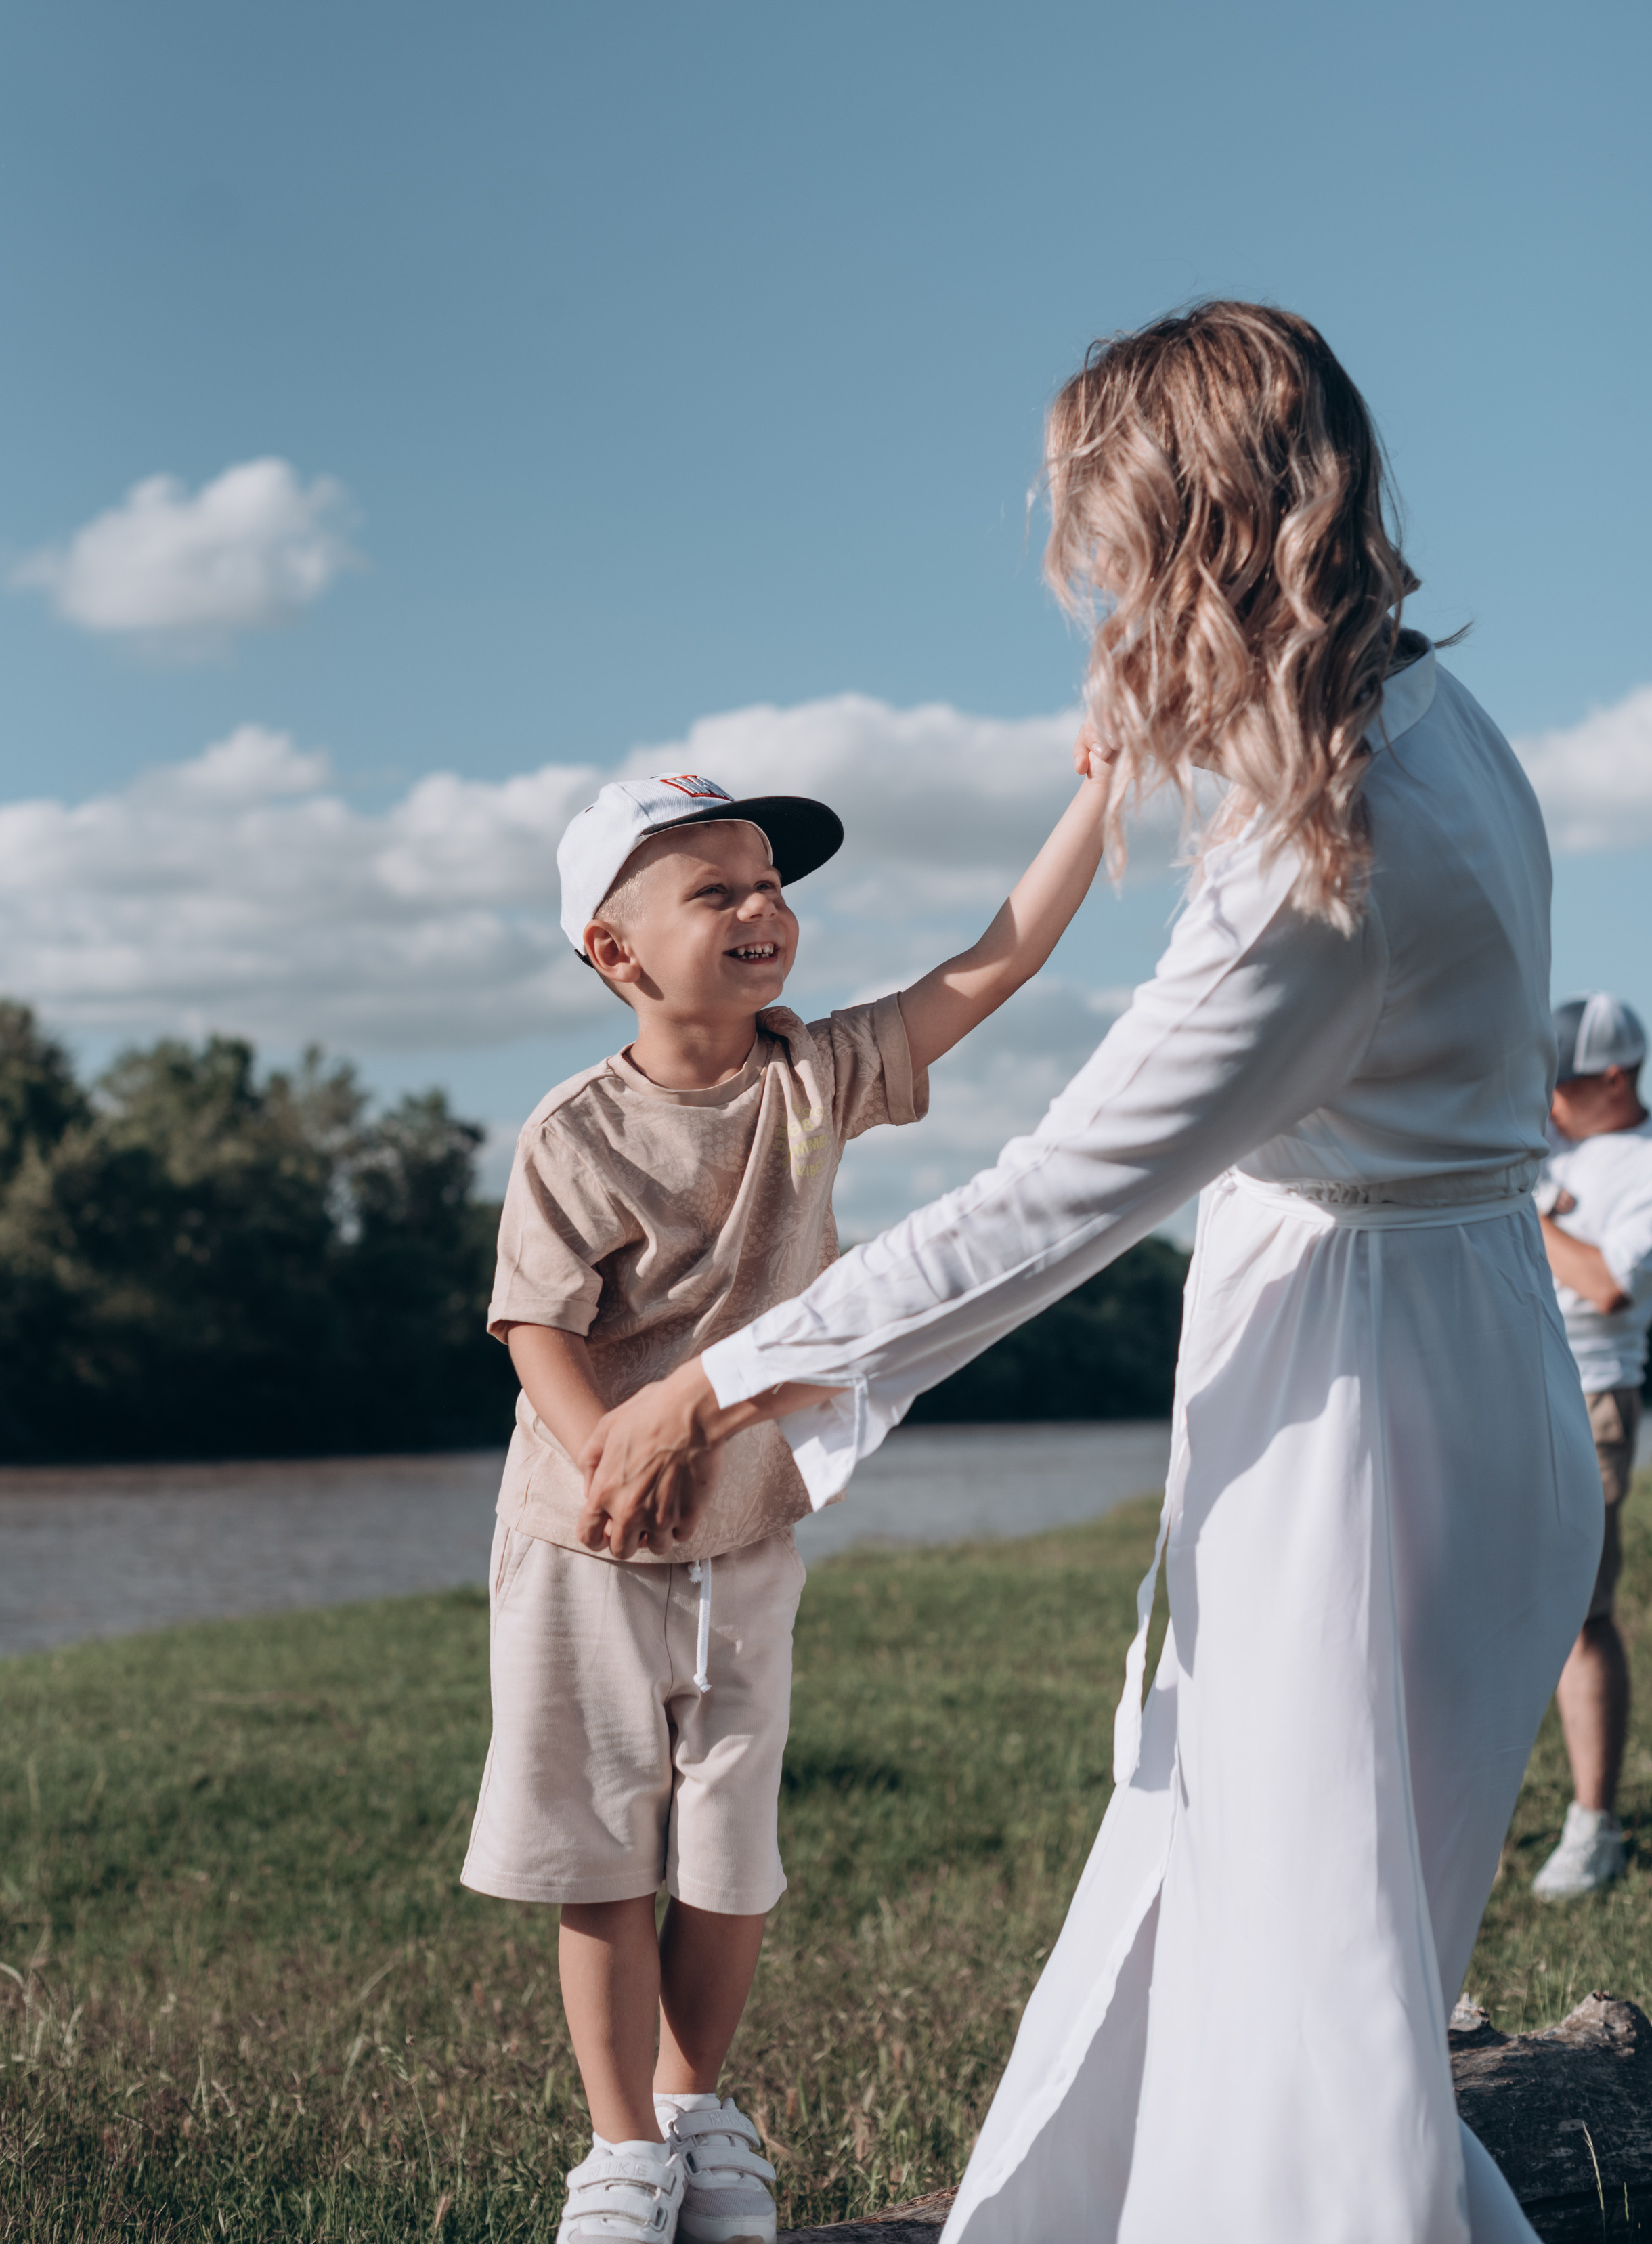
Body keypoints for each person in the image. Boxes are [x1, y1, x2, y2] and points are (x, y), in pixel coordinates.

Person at [579, 303, 1602, 2244]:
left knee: (1309, 2002)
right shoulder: (1421, 723)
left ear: (1186, 528)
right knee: (1248, 1929)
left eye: (1105, 541)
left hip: (1370, 1440)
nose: (1090, 587)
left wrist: (720, 1379)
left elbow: (1057, 1195)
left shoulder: (1327, 867)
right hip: (1435, 1379)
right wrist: (1149, 748)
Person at [463, 760, 1114, 2244]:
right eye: (716, 890)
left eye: (771, 886)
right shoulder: (573, 1132)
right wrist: (603, 1459)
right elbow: (536, 1329)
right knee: (600, 1858)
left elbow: (992, 962)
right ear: (612, 952)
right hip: (589, 1547)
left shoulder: (812, 1077)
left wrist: (1102, 793)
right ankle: (618, 2145)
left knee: (730, 1856)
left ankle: (695, 2110)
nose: (763, 910)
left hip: (748, 1535)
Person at [1530, 993, 1652, 1901]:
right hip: (1513, 1378)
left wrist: (1524, 1212)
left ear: (1614, 1077)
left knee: (1582, 1610)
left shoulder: (1642, 1168)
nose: (1552, 1099)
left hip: (1592, 1391)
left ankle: (1593, 1826)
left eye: (1564, 1083)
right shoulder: (1556, 1144)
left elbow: (1609, 1284)